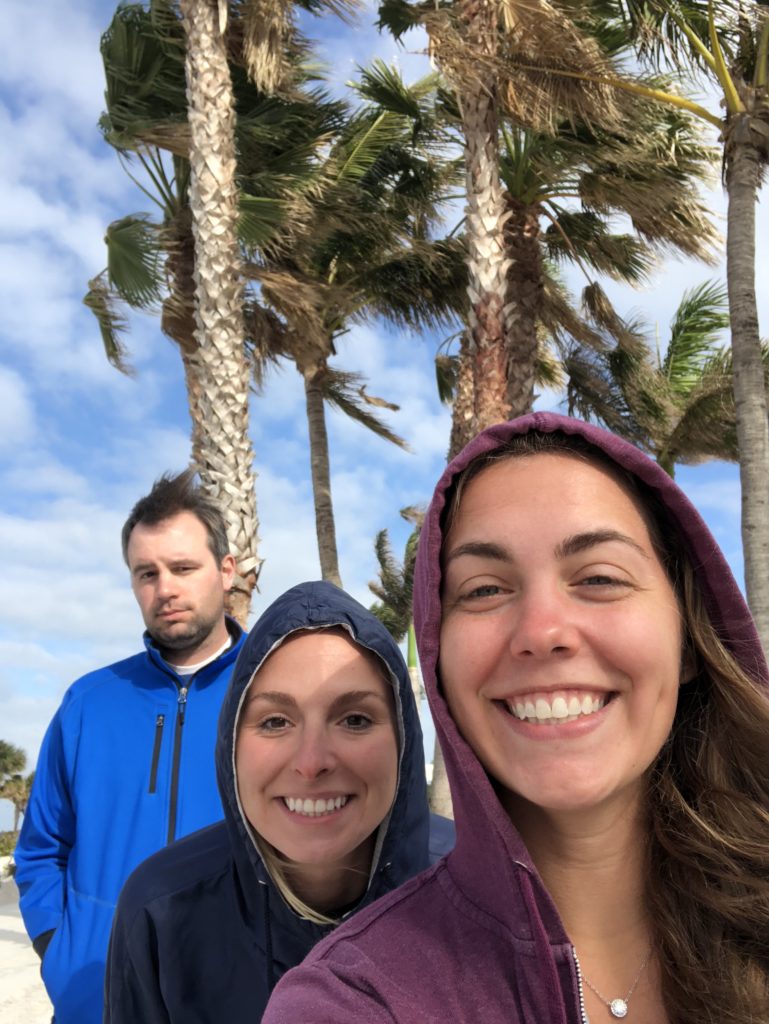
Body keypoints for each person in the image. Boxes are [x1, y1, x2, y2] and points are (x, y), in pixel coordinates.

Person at [262, 412, 769, 1024]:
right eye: (483, 590)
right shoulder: (353, 999)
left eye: (600, 577)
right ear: (437, 656)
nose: (542, 631)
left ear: (688, 638)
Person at [104, 580, 453, 1023]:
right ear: (232, 743)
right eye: (274, 721)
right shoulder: (160, 911)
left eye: (355, 719)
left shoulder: (479, 890)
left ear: (403, 738)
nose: (311, 762)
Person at [15, 470, 246, 1024]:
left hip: (237, 1000)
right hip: (96, 998)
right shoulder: (88, 703)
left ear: (226, 570)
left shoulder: (275, 694)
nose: (165, 588)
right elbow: (42, 849)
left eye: (183, 567)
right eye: (147, 573)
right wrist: (60, 952)